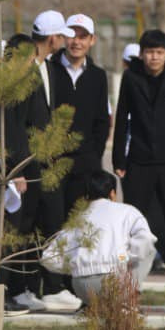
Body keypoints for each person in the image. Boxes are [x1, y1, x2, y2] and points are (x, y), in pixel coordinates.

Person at [111, 28, 165, 310]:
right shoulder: (131, 77)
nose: (154, 58)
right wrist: (119, 160)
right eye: (149, 52)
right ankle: (129, 288)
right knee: (132, 228)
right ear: (141, 54)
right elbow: (122, 117)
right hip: (139, 162)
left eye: (159, 53)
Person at [7, 10, 79, 312]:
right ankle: (18, 287)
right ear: (52, 38)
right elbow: (17, 124)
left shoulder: (48, 68)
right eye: (61, 36)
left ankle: (47, 287)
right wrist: (20, 165)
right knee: (23, 228)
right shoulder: (24, 71)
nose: (64, 41)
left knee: (46, 223)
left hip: (46, 162)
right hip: (28, 163)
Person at [39, 172, 158, 305]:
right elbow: (146, 239)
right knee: (149, 251)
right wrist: (124, 258)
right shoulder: (127, 211)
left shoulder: (78, 217)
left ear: (86, 196)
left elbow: (48, 257)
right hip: (113, 283)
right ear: (112, 193)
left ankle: (89, 304)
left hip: (80, 288)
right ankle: (127, 301)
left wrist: (76, 265)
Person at [47, 13, 112, 243]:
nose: (76, 41)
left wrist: (93, 156)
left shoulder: (98, 76)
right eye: (71, 35)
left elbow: (102, 120)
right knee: (53, 223)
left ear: (92, 40)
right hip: (53, 162)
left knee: (80, 224)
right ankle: (53, 278)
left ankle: (74, 278)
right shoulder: (49, 70)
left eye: (83, 36)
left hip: (85, 164)